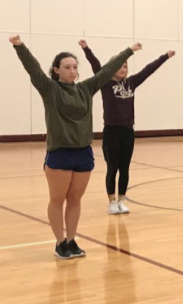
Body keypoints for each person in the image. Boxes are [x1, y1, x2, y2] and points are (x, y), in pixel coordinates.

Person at [10, 34, 140, 259]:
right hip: (60, 153)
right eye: (66, 67)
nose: (72, 71)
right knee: (57, 200)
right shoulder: (49, 89)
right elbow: (33, 68)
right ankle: (60, 243)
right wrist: (20, 46)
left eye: (74, 67)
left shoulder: (85, 88)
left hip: (83, 153)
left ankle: (71, 240)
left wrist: (129, 51)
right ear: (56, 70)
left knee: (75, 199)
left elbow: (108, 70)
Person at [79, 40, 173, 214]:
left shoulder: (131, 83)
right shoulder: (105, 83)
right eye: (120, 66)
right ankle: (111, 202)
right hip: (111, 132)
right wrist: (86, 49)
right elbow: (96, 65)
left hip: (127, 131)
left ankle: (121, 200)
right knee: (112, 167)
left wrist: (165, 57)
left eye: (125, 66)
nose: (123, 69)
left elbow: (148, 70)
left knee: (125, 168)